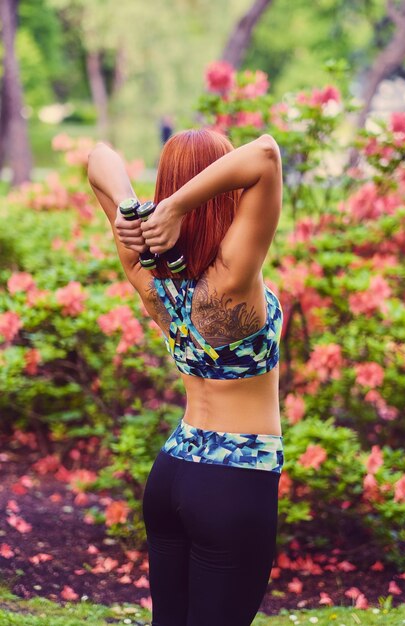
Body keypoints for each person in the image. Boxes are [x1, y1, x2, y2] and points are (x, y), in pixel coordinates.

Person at [87, 128, 284, 626]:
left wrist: (132, 208)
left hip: (174, 470)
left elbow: (98, 157)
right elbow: (264, 154)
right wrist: (172, 208)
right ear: (223, 191)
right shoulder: (234, 280)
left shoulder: (150, 275)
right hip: (234, 481)